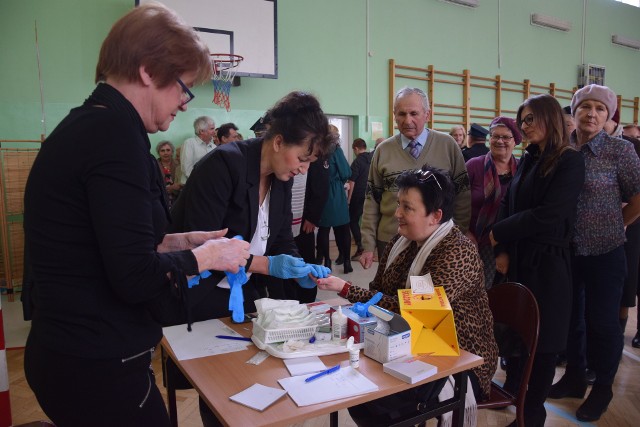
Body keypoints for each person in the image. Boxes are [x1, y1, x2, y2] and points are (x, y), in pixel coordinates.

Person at [21, 4, 251, 426]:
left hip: (68, 354)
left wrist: (184, 241)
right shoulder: (115, 139)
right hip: (96, 362)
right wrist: (209, 258)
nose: (184, 103)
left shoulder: (87, 125)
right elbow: (133, 274)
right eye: (183, 87)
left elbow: (108, 241)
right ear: (148, 71)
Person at [317, 166, 497, 425]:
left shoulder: (457, 252)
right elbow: (379, 293)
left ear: (436, 215)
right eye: (398, 204)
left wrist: (345, 289)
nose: (397, 214)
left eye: (407, 208)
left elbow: (416, 311)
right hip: (404, 340)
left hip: (458, 354)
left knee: (378, 402)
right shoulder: (401, 241)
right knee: (358, 391)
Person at [490, 94, 585, 427]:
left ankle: (531, 416)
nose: (525, 125)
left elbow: (548, 214)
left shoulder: (569, 160)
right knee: (517, 333)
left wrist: (499, 231)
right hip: (518, 256)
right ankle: (516, 398)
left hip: (549, 263)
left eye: (531, 118)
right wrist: (500, 246)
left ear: (550, 118)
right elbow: (509, 202)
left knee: (544, 345)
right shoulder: (529, 156)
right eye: (523, 120)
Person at [548, 84, 640, 422]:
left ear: (608, 116)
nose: (591, 114)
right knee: (572, 319)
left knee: (602, 323)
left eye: (600, 109)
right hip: (567, 251)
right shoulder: (562, 149)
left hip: (606, 252)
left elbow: (638, 196)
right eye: (585, 106)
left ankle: (602, 386)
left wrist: (620, 225)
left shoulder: (620, 151)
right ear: (573, 112)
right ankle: (574, 376)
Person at [359, 87, 471, 268]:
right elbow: (371, 199)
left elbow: (463, 195)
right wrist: (368, 244)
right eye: (401, 114)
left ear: (427, 114)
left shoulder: (448, 146)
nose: (407, 120)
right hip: (390, 240)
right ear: (394, 115)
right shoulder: (383, 150)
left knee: (433, 295)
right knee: (391, 294)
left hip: (438, 241)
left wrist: (458, 233)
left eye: (414, 113)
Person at [466, 116, 520, 288]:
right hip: (473, 242)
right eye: (495, 136)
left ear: (515, 141)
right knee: (475, 292)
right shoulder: (473, 166)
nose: (499, 141)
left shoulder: (522, 169)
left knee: (503, 294)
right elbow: (455, 202)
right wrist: (465, 232)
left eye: (505, 137)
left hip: (509, 245)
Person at [317, 126, 353, 274]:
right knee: (344, 230)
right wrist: (338, 180)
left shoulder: (318, 150)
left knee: (323, 231)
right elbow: (346, 172)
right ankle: (346, 262)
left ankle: (327, 261)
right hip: (336, 193)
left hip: (322, 194)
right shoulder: (336, 150)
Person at [347, 138, 372, 260]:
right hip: (370, 195)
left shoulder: (357, 162)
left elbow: (352, 182)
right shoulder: (372, 159)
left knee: (353, 221)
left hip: (357, 195)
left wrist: (348, 199)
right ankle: (369, 248)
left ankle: (360, 246)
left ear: (356, 148)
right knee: (368, 221)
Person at [180, 115, 216, 183]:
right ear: (201, 131)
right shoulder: (189, 143)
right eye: (212, 129)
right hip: (191, 186)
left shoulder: (214, 147)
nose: (214, 132)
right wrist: (202, 182)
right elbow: (186, 169)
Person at [156, 140, 182, 207]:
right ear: (158, 153)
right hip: (160, 199)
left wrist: (174, 188)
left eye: (168, 150)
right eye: (162, 151)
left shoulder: (179, 164)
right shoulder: (154, 165)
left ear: (172, 152)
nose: (165, 153)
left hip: (178, 198)